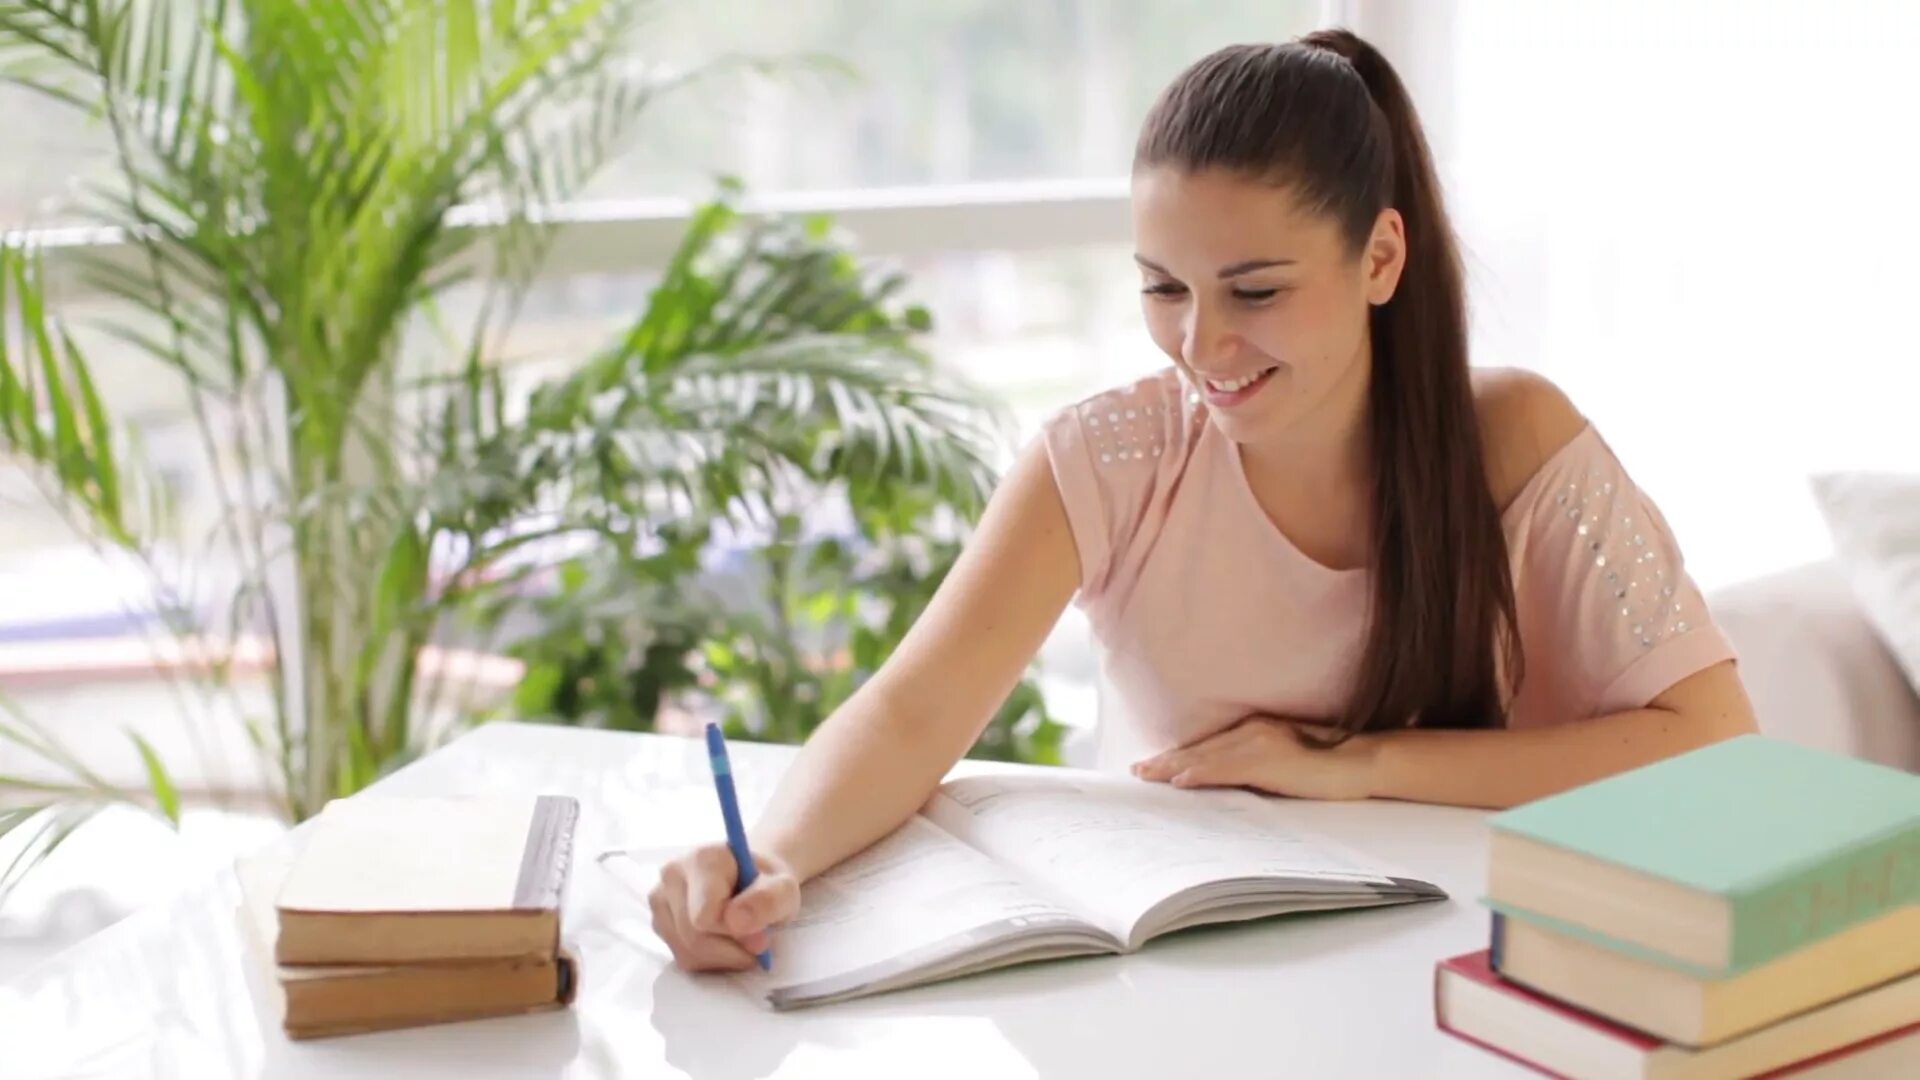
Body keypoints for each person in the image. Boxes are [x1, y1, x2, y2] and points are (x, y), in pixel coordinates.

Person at [647, 28, 1757, 974]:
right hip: (1179, 975)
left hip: (1470, 966)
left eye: (1256, 290)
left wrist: (1352, 768)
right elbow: (910, 713)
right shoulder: (1110, 457)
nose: (1202, 345)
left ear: (1380, 256)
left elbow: (1716, 748)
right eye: (1163, 288)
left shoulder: (1513, 441)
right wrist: (770, 862)